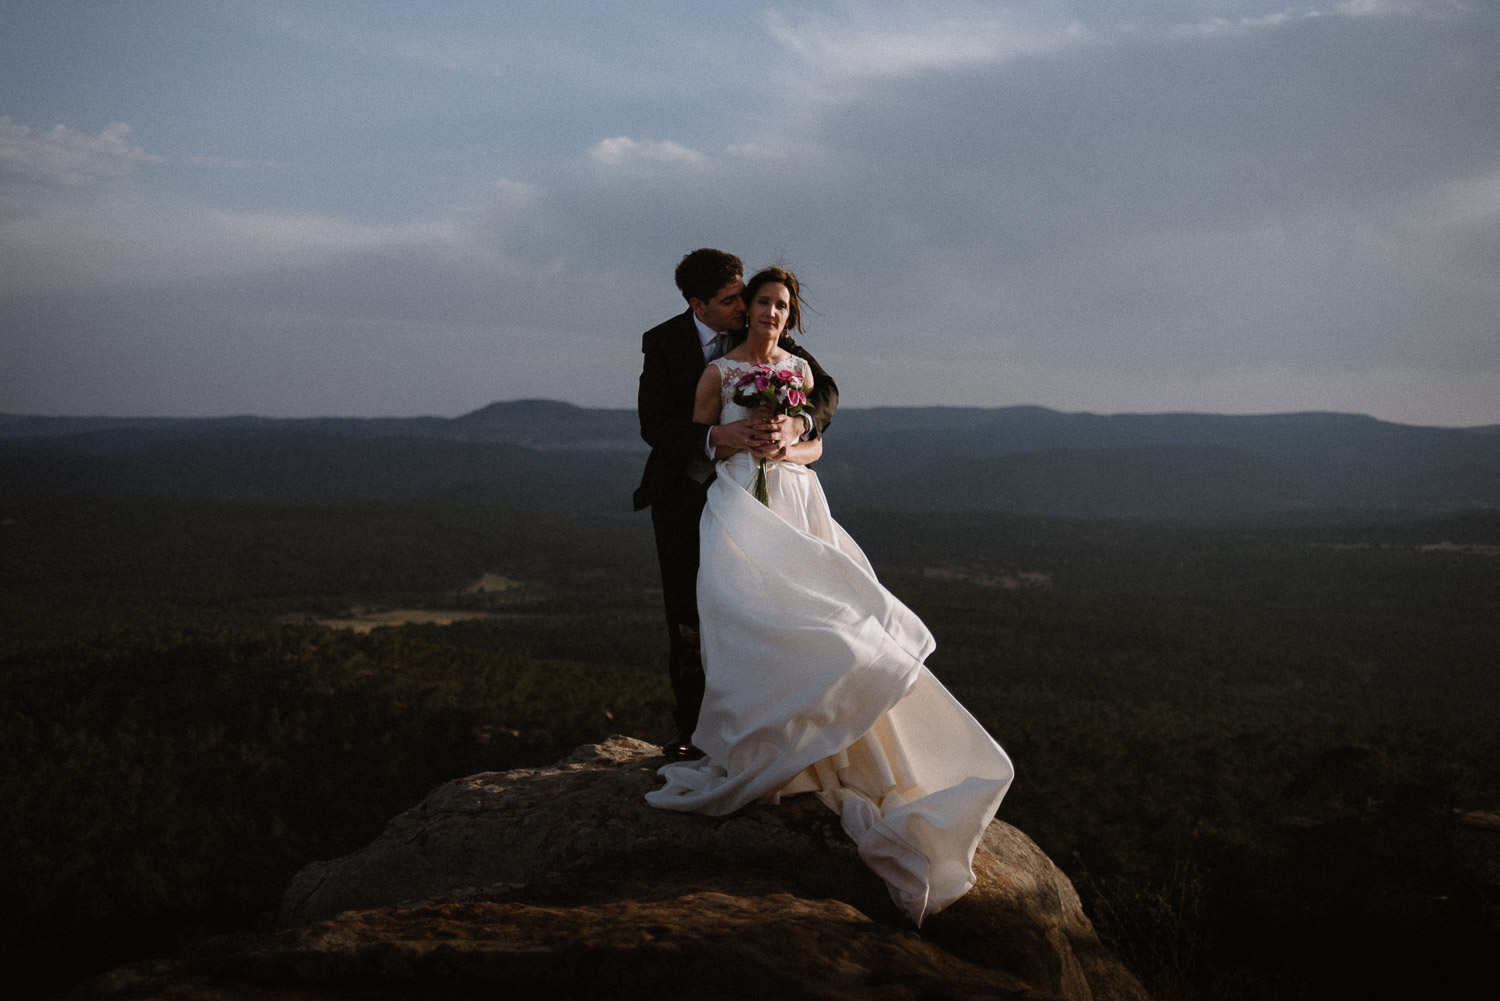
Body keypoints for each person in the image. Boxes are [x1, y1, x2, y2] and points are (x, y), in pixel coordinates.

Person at [645, 267, 1014, 926]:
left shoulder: (801, 372)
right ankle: (760, 746)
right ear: (745, 308)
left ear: (791, 314)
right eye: (762, 302)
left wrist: (790, 441)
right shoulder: (716, 375)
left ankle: (821, 745)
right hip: (734, 504)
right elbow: (689, 452)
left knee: (834, 624)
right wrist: (731, 441)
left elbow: (815, 441)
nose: (771, 313)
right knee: (750, 624)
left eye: (782, 306)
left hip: (795, 500)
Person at [633, 249, 838, 758]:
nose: (746, 307)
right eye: (731, 300)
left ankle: (770, 723)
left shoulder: (767, 331)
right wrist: (716, 436)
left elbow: (825, 390)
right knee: (690, 615)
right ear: (697, 304)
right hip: (685, 491)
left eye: (745, 294)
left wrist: (800, 423)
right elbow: (655, 425)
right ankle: (693, 734)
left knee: (767, 605)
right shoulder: (662, 343)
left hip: (761, 493)